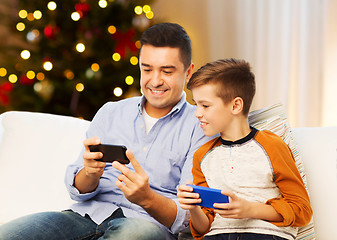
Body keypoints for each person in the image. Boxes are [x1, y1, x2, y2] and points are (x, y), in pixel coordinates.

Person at [0, 23, 215, 240]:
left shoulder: (201, 125)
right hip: (85, 215)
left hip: (145, 224)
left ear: (188, 72)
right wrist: (90, 173)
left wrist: (147, 198)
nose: (155, 81)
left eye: (167, 71)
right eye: (147, 69)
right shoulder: (111, 112)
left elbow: (191, 217)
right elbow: (77, 188)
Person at [177, 58, 313, 240]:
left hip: (265, 234)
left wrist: (249, 209)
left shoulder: (272, 146)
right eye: (196, 104)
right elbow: (203, 228)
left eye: (205, 106)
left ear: (236, 105)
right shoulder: (202, 156)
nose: (197, 113)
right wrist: (193, 207)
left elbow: (301, 210)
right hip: (217, 235)